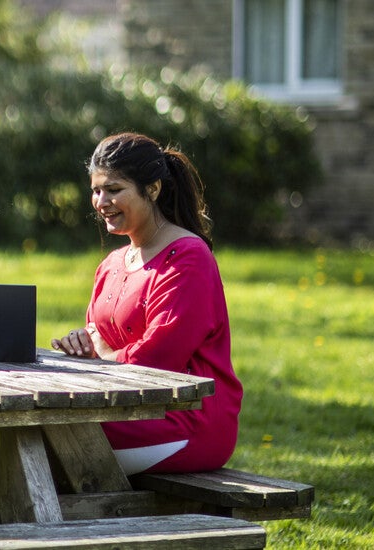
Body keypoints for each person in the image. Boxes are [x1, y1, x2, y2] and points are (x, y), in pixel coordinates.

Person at [49, 132, 241, 474]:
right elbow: (97, 336)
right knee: (29, 423)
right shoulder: (112, 263)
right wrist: (81, 347)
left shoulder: (188, 258)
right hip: (124, 405)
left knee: (47, 428)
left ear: (152, 190)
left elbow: (158, 359)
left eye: (113, 189)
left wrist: (98, 360)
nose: (101, 201)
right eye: (96, 190)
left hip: (185, 419)